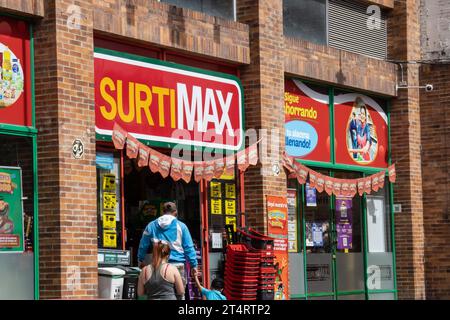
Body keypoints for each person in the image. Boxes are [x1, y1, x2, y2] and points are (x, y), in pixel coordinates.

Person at [137, 202, 198, 296]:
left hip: (157, 266)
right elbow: (189, 248)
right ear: (175, 212)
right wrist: (194, 265)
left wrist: (140, 259)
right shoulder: (181, 226)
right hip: (177, 265)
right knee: (179, 295)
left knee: (158, 295)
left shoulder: (151, 225)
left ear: (163, 212)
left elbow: (143, 245)